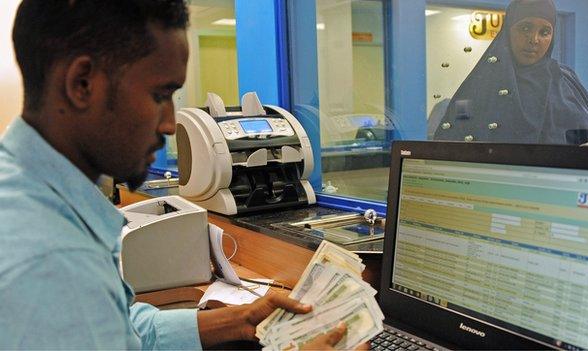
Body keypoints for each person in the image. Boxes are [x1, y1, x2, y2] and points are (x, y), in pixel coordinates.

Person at [0, 1, 354, 349]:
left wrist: (239, 320)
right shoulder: (47, 260)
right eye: (160, 95)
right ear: (82, 84)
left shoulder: (35, 193)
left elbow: (116, 327)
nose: (170, 124)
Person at [433, 0, 588, 145]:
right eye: (525, 28)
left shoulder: (566, 81)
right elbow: (449, 147)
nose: (534, 39)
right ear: (507, 31)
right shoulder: (482, 85)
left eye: (544, 32)